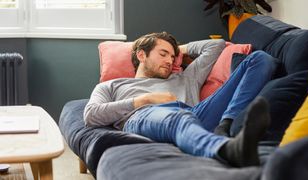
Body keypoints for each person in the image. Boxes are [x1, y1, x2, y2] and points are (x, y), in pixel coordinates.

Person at [84, 32, 276, 167]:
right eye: (163, 54)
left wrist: (180, 49)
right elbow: (91, 115)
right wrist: (144, 100)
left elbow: (216, 45)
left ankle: (225, 126)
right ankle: (227, 149)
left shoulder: (186, 77)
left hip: (197, 114)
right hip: (144, 116)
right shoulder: (112, 85)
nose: (170, 60)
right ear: (141, 55)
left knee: (260, 59)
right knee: (178, 117)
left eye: (172, 56)